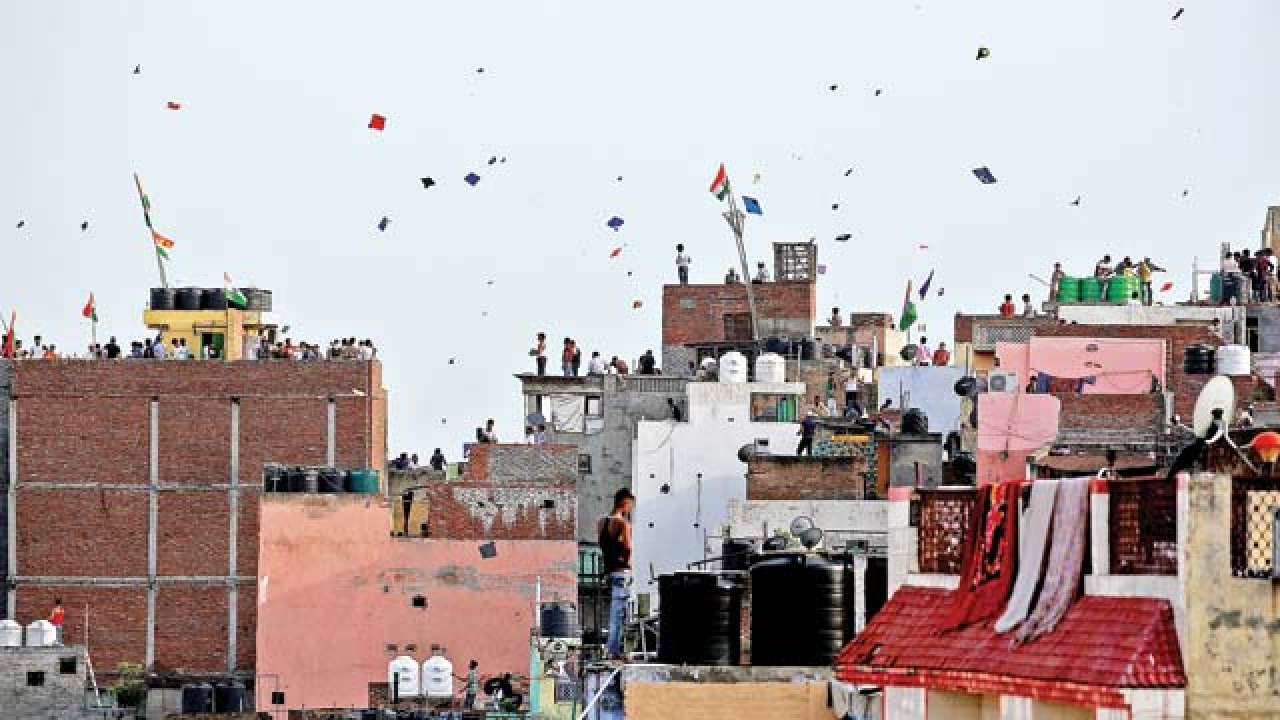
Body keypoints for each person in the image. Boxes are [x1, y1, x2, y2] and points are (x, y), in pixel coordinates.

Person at [599, 488, 634, 660]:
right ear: (625, 503)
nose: (630, 510)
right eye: (630, 506)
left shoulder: (602, 523)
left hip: (609, 572)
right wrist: (628, 561)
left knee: (614, 613)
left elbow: (604, 546)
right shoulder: (623, 524)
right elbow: (627, 547)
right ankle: (614, 651)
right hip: (622, 572)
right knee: (619, 614)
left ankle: (613, 649)